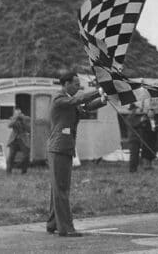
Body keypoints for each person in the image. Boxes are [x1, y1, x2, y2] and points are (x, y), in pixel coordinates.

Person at [45, 72, 106, 237]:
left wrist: (103, 100)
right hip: (59, 148)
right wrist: (98, 90)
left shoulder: (67, 100)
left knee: (58, 188)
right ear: (65, 84)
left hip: (62, 147)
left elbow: (85, 107)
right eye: (75, 83)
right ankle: (66, 228)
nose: (78, 86)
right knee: (62, 188)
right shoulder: (60, 99)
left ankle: (53, 223)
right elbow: (77, 100)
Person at [6, 105, 31, 174]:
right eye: (16, 113)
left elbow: (29, 129)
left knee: (26, 156)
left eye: (18, 113)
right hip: (14, 139)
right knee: (11, 156)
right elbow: (9, 125)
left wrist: (23, 120)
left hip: (23, 139)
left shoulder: (26, 118)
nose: (17, 115)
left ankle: (24, 171)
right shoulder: (13, 118)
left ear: (21, 113)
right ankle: (8, 171)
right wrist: (15, 118)